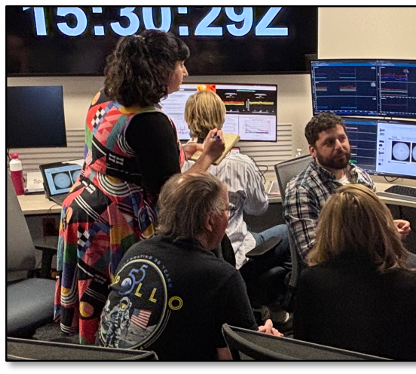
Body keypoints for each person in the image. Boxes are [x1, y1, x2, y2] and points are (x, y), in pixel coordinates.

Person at [55, 29, 226, 344]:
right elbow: (174, 196)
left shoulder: (103, 98)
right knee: (121, 312)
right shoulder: (151, 122)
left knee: (94, 301)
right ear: (160, 71)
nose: (185, 72)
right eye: (180, 65)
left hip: (83, 211)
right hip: (116, 224)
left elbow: (118, 154)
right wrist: (208, 158)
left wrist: (178, 151)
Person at [97, 172, 282, 360]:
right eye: (227, 209)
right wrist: (263, 343)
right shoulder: (221, 276)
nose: (228, 216)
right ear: (210, 220)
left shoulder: (135, 251)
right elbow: (239, 355)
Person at [283, 112, 416, 302]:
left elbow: (373, 220)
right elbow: (313, 254)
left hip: (379, 257)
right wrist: (377, 240)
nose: (339, 146)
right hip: (343, 273)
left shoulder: (360, 176)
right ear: (313, 151)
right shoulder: (301, 190)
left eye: (342, 138)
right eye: (329, 142)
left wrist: (389, 227)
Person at [181, 90, 291, 319]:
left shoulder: (179, 165)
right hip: (237, 252)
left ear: (188, 119)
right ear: (222, 119)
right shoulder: (241, 163)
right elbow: (258, 209)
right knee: (287, 231)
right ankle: (274, 300)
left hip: (193, 259)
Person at [293, 184, 416, 360]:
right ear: (385, 227)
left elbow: (301, 347)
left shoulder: (311, 281)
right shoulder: (415, 285)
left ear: (326, 229)